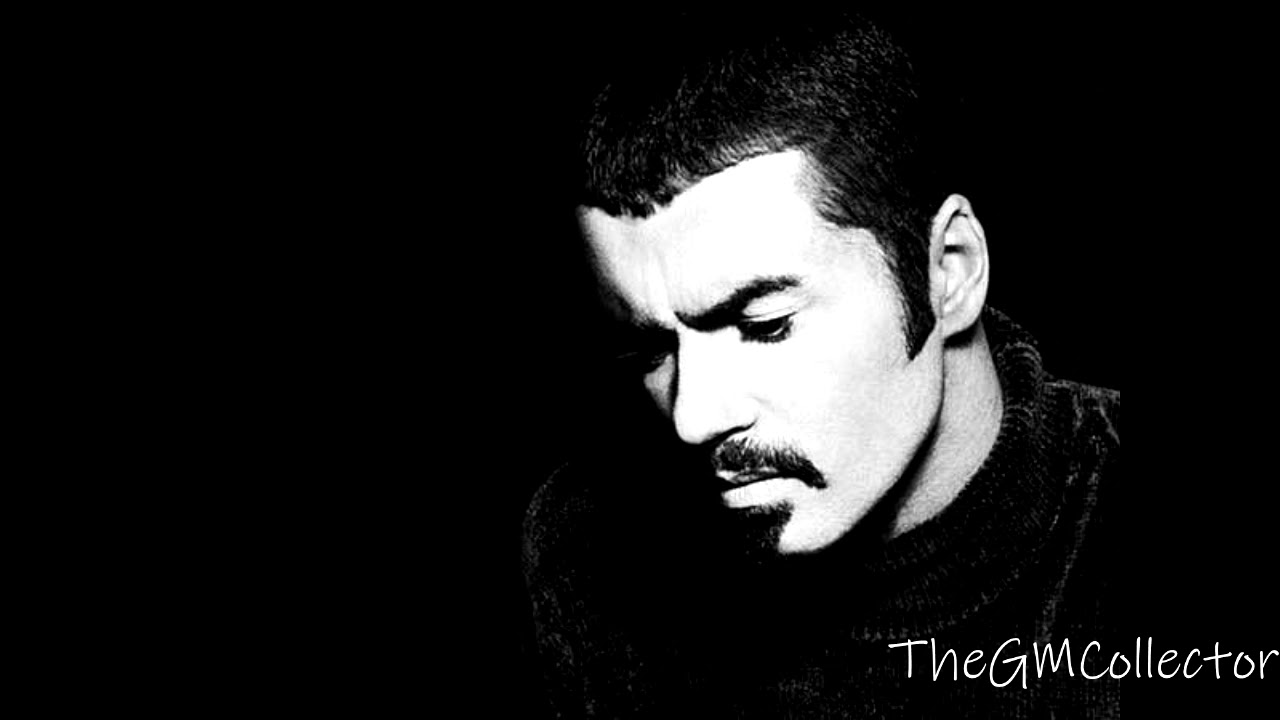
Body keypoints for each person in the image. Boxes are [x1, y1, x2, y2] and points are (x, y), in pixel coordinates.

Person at [522, 11, 1120, 718]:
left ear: (949, 271)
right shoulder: (586, 551)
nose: (693, 419)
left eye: (764, 326)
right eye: (653, 349)